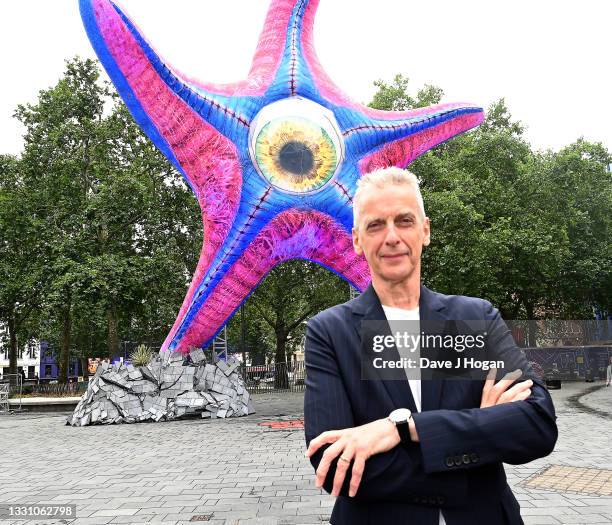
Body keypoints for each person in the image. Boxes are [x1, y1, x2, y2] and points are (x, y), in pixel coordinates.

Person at [303, 167, 558, 525]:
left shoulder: (475, 318)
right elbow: (333, 463)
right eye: (375, 225)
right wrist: (479, 434)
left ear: (425, 230)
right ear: (357, 240)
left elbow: (537, 425)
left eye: (404, 221)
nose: (391, 236)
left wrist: (401, 429)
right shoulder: (329, 332)